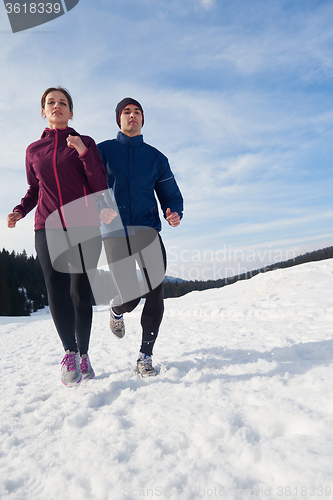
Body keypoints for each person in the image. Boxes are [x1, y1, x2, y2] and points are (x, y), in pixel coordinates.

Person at [6, 87, 107, 386]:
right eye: (51, 103)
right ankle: (69, 352)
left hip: (83, 221)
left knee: (80, 290)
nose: (57, 106)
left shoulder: (85, 142)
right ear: (43, 111)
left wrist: (83, 153)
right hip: (47, 225)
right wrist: (19, 210)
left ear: (71, 112)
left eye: (63, 103)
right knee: (56, 288)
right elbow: (34, 190)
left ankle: (85, 352)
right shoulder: (33, 150)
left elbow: (99, 183)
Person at [97, 97, 183, 378]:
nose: (132, 115)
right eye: (126, 112)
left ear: (142, 120)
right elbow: (88, 188)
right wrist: (100, 209)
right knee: (132, 298)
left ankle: (145, 356)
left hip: (147, 230)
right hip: (114, 233)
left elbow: (169, 194)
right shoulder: (103, 152)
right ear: (118, 119)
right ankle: (117, 308)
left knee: (156, 289)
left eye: (137, 112)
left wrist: (173, 211)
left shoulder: (156, 157)